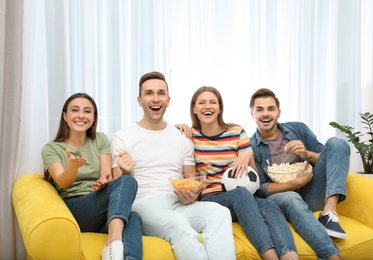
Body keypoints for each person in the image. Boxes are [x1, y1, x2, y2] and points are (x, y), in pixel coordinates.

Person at [111, 71, 236, 260]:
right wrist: (126, 172)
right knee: (178, 224)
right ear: (139, 100)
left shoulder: (181, 137)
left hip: (178, 203)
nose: (156, 99)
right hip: (143, 205)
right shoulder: (122, 137)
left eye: (161, 93)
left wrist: (193, 193)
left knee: (219, 212)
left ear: (168, 100)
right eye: (149, 93)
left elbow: (191, 181)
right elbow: (116, 187)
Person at [187, 86, 298, 260]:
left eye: (212, 102)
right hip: (213, 198)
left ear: (220, 108)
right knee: (240, 194)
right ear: (194, 108)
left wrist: (247, 155)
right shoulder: (190, 136)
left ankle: (289, 256)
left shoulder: (236, 131)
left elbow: (253, 175)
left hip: (245, 193)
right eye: (202, 102)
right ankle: (270, 256)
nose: (207, 106)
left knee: (270, 205)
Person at [249, 88, 350, 260]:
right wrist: (295, 184)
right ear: (252, 113)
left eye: (271, 108)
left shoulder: (298, 129)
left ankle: (329, 211)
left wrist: (307, 154)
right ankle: (331, 256)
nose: (265, 114)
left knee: (337, 143)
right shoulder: (251, 147)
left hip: (311, 192)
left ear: (279, 112)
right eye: (260, 109)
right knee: (291, 197)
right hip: (282, 200)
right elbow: (262, 189)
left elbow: (329, 157)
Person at [41, 93, 142, 260]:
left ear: (94, 118)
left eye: (87, 111)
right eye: (75, 110)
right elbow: (63, 182)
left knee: (134, 217)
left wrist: (104, 182)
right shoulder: (51, 149)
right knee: (127, 181)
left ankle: (121, 256)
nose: (81, 115)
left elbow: (106, 175)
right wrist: (72, 168)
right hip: (75, 208)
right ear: (65, 116)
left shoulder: (100, 139)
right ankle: (113, 241)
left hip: (98, 204)